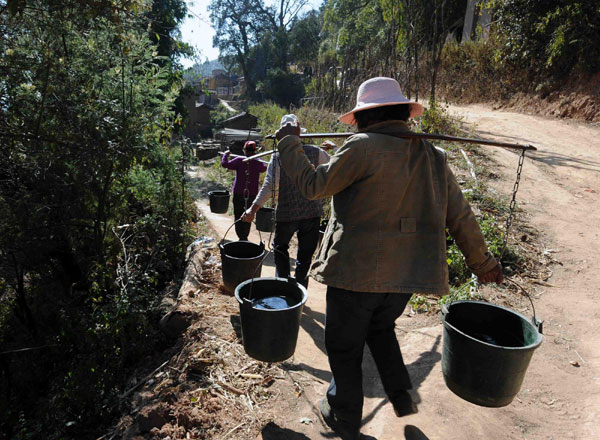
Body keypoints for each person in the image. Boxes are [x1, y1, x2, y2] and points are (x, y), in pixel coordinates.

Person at [274, 77, 504, 440]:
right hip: (404, 278)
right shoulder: (433, 156)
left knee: (344, 344)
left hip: (356, 276)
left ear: (365, 117)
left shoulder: (361, 147)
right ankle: (400, 394)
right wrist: (485, 264)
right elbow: (460, 216)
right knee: (380, 329)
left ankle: (344, 414)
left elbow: (314, 186)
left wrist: (288, 143)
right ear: (401, 113)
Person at [241, 114, 332, 288]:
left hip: (287, 213)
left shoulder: (278, 157)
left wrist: (253, 209)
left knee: (280, 249)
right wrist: (334, 150)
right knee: (305, 257)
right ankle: (299, 292)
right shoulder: (316, 152)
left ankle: (283, 287)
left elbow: (270, 186)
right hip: (311, 213)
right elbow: (333, 171)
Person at [221, 140, 267, 241]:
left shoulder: (239, 160)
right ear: (254, 151)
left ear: (244, 150)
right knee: (248, 215)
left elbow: (225, 164)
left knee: (238, 213)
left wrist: (225, 155)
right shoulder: (257, 162)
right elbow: (264, 168)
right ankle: (244, 236)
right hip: (252, 194)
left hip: (238, 193)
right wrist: (257, 158)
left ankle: (241, 237)